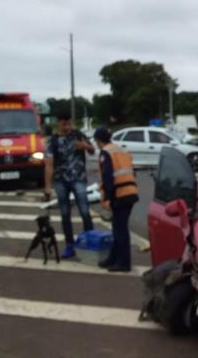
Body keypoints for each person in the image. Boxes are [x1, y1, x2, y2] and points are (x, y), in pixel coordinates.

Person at [44, 112, 95, 259]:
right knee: (65, 214)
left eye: (69, 124)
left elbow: (92, 151)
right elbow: (49, 164)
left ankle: (90, 241)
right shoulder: (52, 140)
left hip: (78, 178)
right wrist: (47, 187)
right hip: (60, 181)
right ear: (58, 123)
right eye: (63, 124)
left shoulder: (78, 135)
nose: (67, 127)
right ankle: (69, 245)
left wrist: (84, 145)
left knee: (85, 212)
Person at [93, 127, 138, 272]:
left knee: (120, 230)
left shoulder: (106, 153)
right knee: (117, 228)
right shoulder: (121, 150)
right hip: (130, 192)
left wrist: (107, 198)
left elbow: (108, 178)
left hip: (120, 194)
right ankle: (113, 258)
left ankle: (123, 263)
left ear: (99, 141)